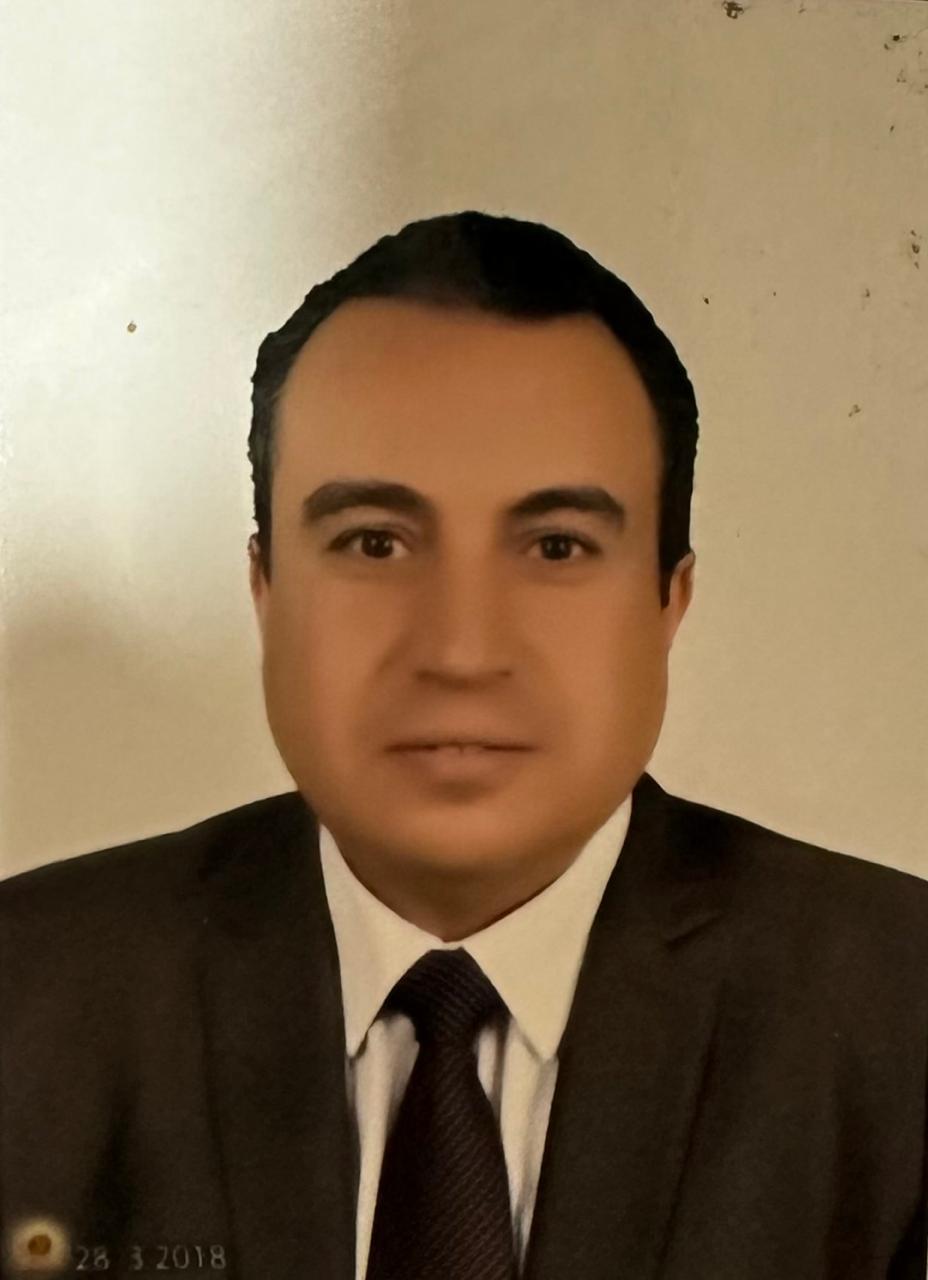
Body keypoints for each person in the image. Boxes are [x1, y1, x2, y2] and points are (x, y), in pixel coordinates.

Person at [1, 211, 925, 1280]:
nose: (460, 650)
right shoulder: (28, 997)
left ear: (668, 602)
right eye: (374, 542)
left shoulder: (900, 1017)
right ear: (266, 591)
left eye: (556, 546)